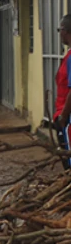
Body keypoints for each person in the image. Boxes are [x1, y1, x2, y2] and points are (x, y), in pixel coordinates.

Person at [51, 15, 71, 170]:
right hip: (63, 114)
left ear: (65, 31)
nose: (59, 34)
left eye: (59, 30)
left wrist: (63, 116)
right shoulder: (68, 56)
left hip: (67, 117)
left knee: (67, 158)